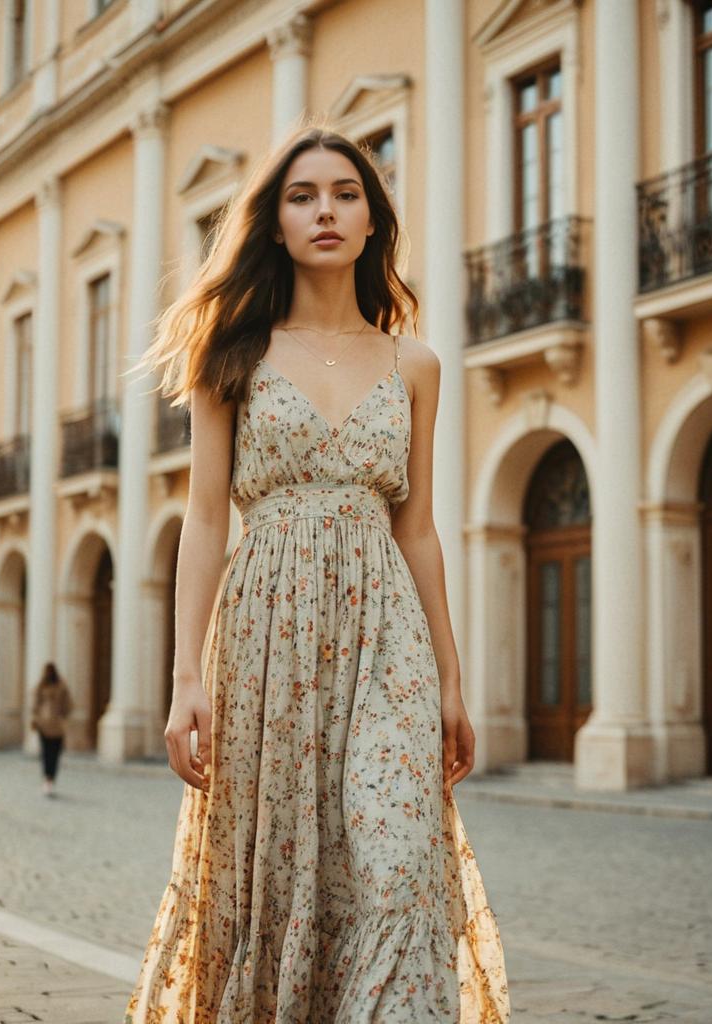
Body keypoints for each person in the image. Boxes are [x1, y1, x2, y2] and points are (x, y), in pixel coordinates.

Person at [123, 122, 510, 1022]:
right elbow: (207, 518)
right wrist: (187, 679)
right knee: (283, 875)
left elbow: (416, 528)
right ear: (277, 224)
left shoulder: (416, 364)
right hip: (268, 641)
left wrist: (450, 680)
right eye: (303, 196)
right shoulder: (232, 353)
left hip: (389, 642)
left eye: (346, 193)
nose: (326, 210)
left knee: (400, 865)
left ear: (373, 220)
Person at [31, 662, 72, 797]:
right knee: (53, 754)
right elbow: (68, 705)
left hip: (46, 724)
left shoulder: (42, 686)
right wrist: (63, 715)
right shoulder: (61, 686)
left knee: (47, 753)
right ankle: (50, 779)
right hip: (56, 725)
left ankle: (47, 779)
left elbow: (35, 705)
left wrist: (35, 718)